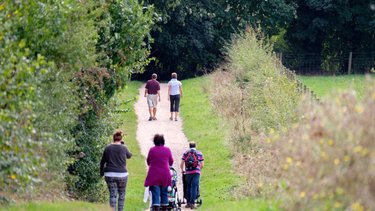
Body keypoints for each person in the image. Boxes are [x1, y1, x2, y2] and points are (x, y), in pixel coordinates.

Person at [100, 130, 132, 211]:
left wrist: (101, 173)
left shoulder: (108, 148)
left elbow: (102, 162)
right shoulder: (124, 147)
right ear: (121, 139)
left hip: (109, 174)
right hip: (122, 175)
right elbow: (129, 156)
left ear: (113, 138)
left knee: (112, 195)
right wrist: (124, 145)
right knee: (121, 194)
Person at [144, 134, 174, 211]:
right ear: (163, 141)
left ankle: (156, 209)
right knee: (164, 193)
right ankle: (164, 209)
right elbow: (171, 162)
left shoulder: (152, 150)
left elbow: (148, 162)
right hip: (165, 174)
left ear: (155, 141)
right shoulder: (167, 150)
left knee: (155, 194)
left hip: (154, 174)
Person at [180, 141, 204, 209]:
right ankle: (192, 203)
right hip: (196, 172)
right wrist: (199, 170)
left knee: (188, 187)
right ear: (195, 146)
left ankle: (188, 203)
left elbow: (181, 164)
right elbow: (202, 165)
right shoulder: (199, 153)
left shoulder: (186, 153)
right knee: (194, 187)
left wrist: (182, 170)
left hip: (188, 173)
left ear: (189, 146)